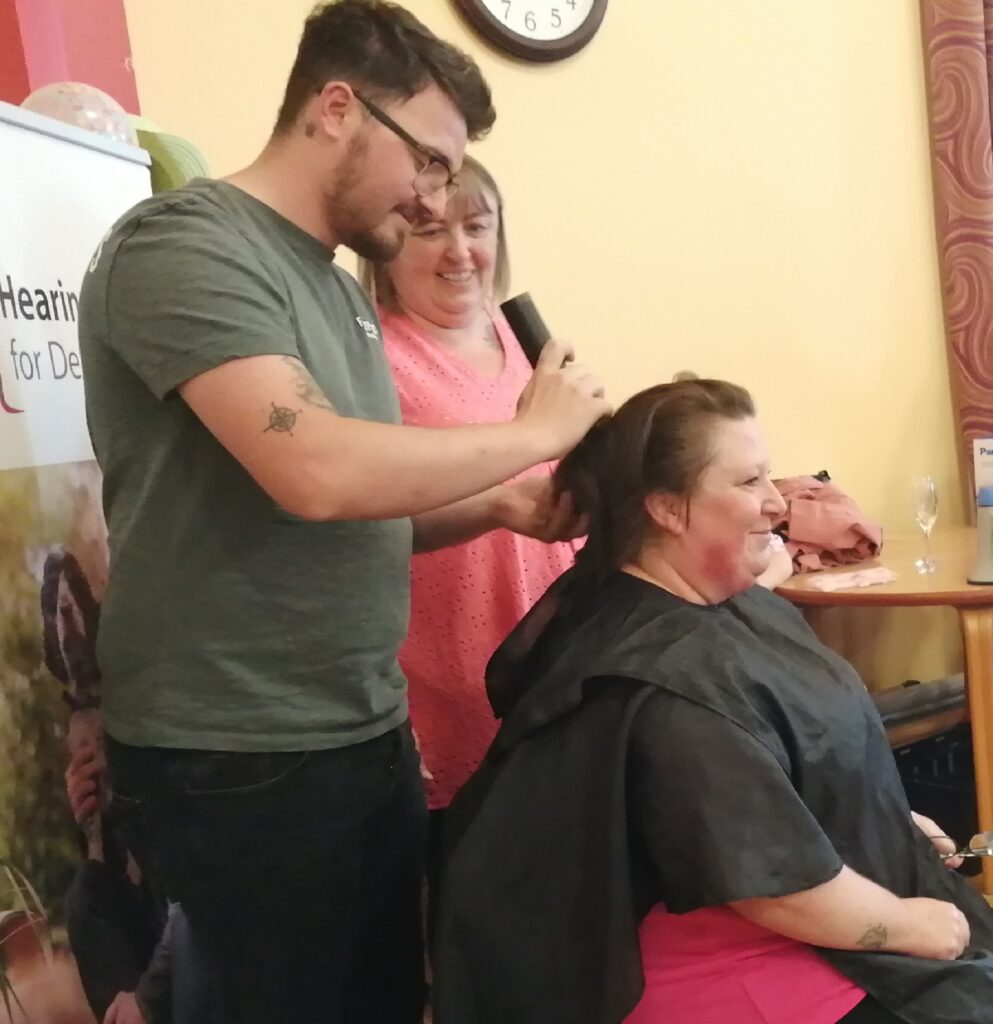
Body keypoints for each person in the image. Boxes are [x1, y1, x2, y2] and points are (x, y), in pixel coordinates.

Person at [76, 2, 609, 1022]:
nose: (434, 197)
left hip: (358, 736)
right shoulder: (184, 247)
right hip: (235, 758)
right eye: (430, 160)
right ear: (335, 108)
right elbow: (312, 468)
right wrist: (534, 429)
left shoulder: (334, 292)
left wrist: (499, 502)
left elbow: (354, 513)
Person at [434, 379, 993, 1024]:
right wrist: (907, 925)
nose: (779, 501)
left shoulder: (705, 606)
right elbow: (771, 885)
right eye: (750, 481)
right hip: (737, 962)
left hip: (785, 905)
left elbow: (784, 767)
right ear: (669, 509)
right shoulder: (665, 690)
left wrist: (882, 818)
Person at [357, 155, 580, 924]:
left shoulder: (528, 343)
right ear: (386, 244)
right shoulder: (369, 359)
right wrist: (502, 498)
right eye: (428, 230)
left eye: (475, 227)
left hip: (551, 666)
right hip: (442, 680)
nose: (459, 251)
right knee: (472, 918)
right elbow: (366, 516)